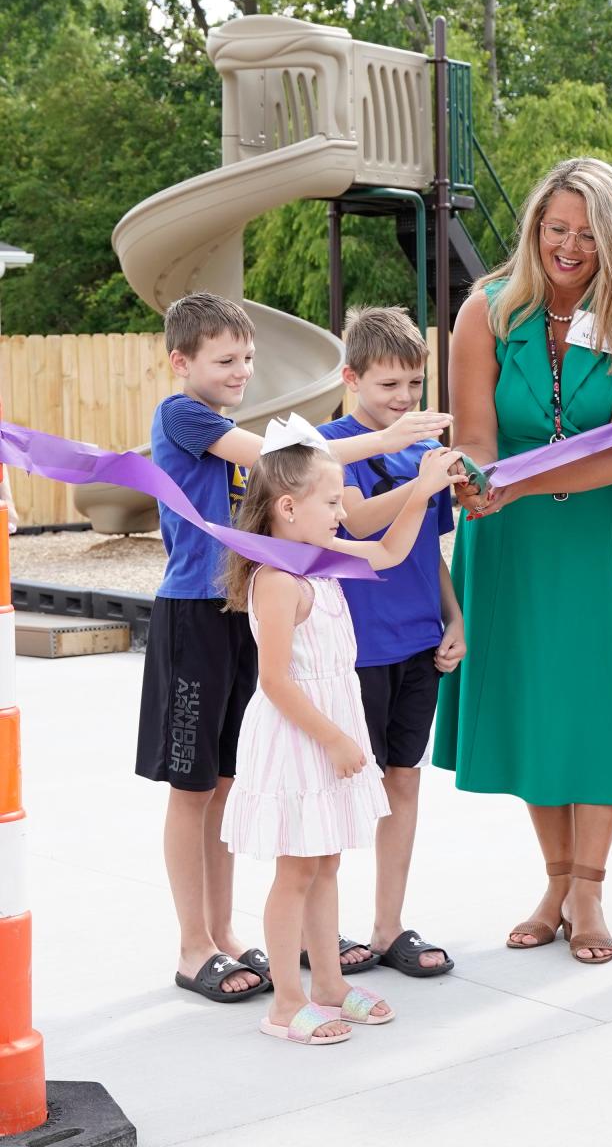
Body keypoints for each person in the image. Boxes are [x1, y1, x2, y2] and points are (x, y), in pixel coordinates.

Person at [136, 290, 451, 1003]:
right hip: (194, 614)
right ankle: (194, 945)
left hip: (239, 612)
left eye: (248, 357)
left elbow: (318, 496)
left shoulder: (223, 422)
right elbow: (291, 457)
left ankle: (224, 933)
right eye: (225, 359)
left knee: (222, 781)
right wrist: (388, 440)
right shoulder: (182, 415)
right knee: (191, 789)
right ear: (181, 360)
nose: (241, 370)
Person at [433, 157, 612, 965]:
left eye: (586, 233)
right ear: (534, 230)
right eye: (555, 229)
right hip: (512, 538)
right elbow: (474, 435)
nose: (569, 246)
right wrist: (479, 480)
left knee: (598, 704)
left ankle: (589, 888)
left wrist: (513, 485)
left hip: (607, 532)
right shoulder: (484, 313)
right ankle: (554, 882)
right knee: (535, 704)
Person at [219, 418, 464, 1043]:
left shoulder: (321, 560)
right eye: (331, 502)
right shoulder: (278, 580)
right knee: (296, 871)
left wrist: (423, 486)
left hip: (329, 731)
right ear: (289, 506)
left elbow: (386, 550)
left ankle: (328, 984)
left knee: (325, 864)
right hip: (301, 738)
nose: (341, 512)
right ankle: (286, 1003)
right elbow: (274, 681)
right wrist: (333, 737)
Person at [317, 306, 464, 979]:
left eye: (414, 385)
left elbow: (427, 549)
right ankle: (320, 934)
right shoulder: (329, 445)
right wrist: (420, 481)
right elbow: (353, 523)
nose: (404, 400)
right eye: (388, 386)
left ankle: (387, 927)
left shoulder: (421, 450)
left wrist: (454, 617)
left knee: (403, 782)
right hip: (353, 650)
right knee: (342, 792)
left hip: (416, 643)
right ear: (352, 379)